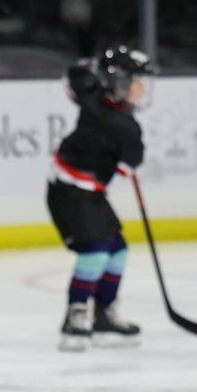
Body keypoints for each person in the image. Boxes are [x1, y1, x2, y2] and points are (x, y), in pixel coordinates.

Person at [47, 45, 154, 351]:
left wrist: (97, 67)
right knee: (95, 252)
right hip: (68, 192)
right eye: (136, 82)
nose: (143, 89)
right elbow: (126, 167)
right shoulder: (127, 129)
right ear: (118, 83)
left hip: (89, 193)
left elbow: (76, 75)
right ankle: (76, 317)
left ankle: (103, 316)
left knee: (117, 250)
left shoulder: (94, 97)